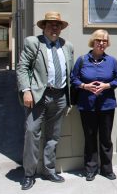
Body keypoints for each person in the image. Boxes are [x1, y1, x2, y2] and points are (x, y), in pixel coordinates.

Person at [16, 11, 74, 190]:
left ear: (61, 28)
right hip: (37, 96)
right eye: (50, 24)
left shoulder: (67, 46)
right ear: (43, 27)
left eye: (57, 25)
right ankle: (29, 174)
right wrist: (26, 90)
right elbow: (22, 67)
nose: (54, 27)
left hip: (60, 96)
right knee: (32, 133)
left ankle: (49, 170)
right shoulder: (33, 43)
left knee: (53, 136)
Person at [70, 29, 117, 181]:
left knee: (106, 139)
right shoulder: (82, 60)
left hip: (107, 105)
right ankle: (91, 169)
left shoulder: (112, 61)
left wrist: (107, 86)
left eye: (104, 40)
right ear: (93, 41)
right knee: (90, 137)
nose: (101, 43)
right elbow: (74, 79)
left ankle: (107, 169)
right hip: (87, 106)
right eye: (99, 40)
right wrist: (85, 86)